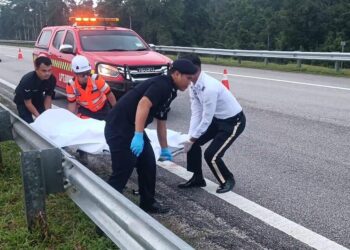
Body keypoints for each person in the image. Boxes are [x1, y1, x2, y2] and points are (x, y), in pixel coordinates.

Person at [104, 59, 197, 213]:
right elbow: (143, 104)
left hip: (132, 128)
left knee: (148, 164)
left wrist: (165, 148)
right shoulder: (162, 85)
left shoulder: (171, 90)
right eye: (188, 78)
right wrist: (138, 135)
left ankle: (148, 203)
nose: (189, 83)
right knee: (122, 170)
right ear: (176, 74)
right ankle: (105, 214)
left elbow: (161, 120)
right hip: (119, 128)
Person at [178, 55, 246, 193]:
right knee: (194, 144)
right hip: (217, 119)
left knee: (211, 155)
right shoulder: (193, 84)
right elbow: (196, 112)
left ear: (194, 69)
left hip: (233, 122)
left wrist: (192, 138)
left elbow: (206, 119)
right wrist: (191, 137)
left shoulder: (209, 87)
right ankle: (197, 178)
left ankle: (227, 179)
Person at [66, 55, 116, 120]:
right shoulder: (71, 85)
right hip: (85, 111)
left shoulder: (96, 80)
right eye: (83, 74)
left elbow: (109, 94)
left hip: (103, 109)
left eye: (88, 73)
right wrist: (70, 119)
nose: (86, 76)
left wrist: (115, 110)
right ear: (75, 74)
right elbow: (72, 104)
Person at [13, 56, 56, 123]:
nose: (47, 73)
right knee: (28, 123)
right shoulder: (28, 80)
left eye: (49, 70)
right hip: (23, 100)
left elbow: (48, 97)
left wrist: (47, 115)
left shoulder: (52, 79)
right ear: (36, 69)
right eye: (44, 71)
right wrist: (39, 117)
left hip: (37, 97)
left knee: (46, 118)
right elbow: (28, 103)